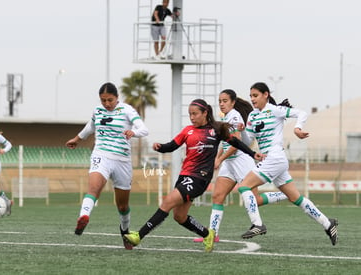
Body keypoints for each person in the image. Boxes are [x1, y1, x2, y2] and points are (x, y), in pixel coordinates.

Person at [124, 99, 263, 252]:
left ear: (205, 113)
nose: (192, 117)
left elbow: (236, 142)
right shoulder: (187, 130)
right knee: (180, 216)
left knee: (167, 202)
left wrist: (252, 153)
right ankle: (207, 234)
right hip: (185, 176)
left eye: (195, 114)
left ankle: (138, 236)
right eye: (190, 114)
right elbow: (172, 146)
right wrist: (160, 147)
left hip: (200, 178)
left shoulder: (215, 130)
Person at [238, 82, 338, 245]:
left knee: (244, 186)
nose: (252, 99)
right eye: (251, 96)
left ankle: (257, 224)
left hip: (274, 157)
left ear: (266, 95)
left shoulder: (275, 110)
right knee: (296, 198)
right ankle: (328, 223)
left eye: (255, 95)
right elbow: (248, 140)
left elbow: (302, 113)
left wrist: (297, 128)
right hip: (272, 160)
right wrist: (242, 130)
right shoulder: (252, 116)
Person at [193, 89, 287, 243]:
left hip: (242, 161)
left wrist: (220, 159)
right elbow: (225, 143)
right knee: (217, 196)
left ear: (233, 102)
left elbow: (236, 144)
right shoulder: (225, 118)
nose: (222, 104)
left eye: (225, 101)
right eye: (220, 101)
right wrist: (218, 158)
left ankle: (285, 195)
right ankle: (212, 234)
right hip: (229, 163)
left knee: (254, 200)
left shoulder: (235, 117)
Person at [66, 82, 149, 250]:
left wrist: (134, 132)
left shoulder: (127, 110)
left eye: (110, 100)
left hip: (122, 161)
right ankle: (83, 217)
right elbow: (91, 126)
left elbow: (144, 129)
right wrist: (77, 139)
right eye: (103, 100)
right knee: (94, 188)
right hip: (101, 155)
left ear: (117, 97)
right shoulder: (98, 111)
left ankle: (125, 233)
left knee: (122, 206)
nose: (106, 104)